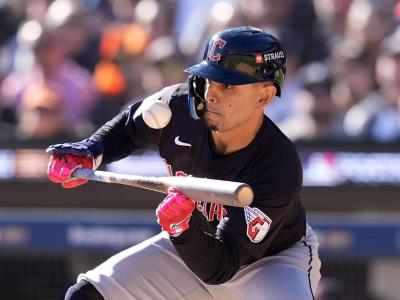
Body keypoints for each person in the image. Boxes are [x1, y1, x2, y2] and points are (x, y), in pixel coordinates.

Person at [47, 26, 321, 300]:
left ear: (264, 96)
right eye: (209, 79)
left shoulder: (277, 166)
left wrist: (180, 227)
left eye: (228, 85)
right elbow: (129, 128)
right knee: (87, 295)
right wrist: (91, 151)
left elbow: (222, 266)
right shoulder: (176, 107)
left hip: (270, 262)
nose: (212, 93)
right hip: (194, 243)